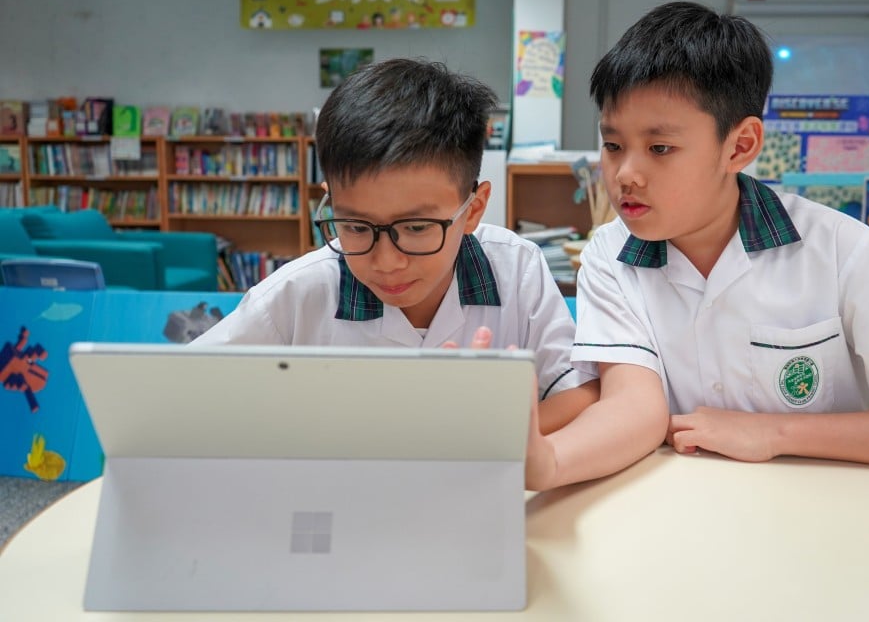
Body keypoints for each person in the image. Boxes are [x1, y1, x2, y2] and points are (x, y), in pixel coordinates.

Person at [523, 1, 869, 491]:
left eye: (659, 149)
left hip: (825, 520)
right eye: (613, 145)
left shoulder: (840, 249)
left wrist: (775, 432)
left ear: (739, 146)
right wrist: (550, 462)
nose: (625, 174)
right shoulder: (610, 255)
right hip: (677, 519)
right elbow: (633, 404)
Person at [192, 58, 598, 434]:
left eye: (418, 227)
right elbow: (181, 393)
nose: (386, 262)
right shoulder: (297, 295)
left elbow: (580, 392)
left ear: (472, 210)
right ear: (329, 201)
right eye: (354, 226)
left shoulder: (516, 268)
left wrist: (485, 438)